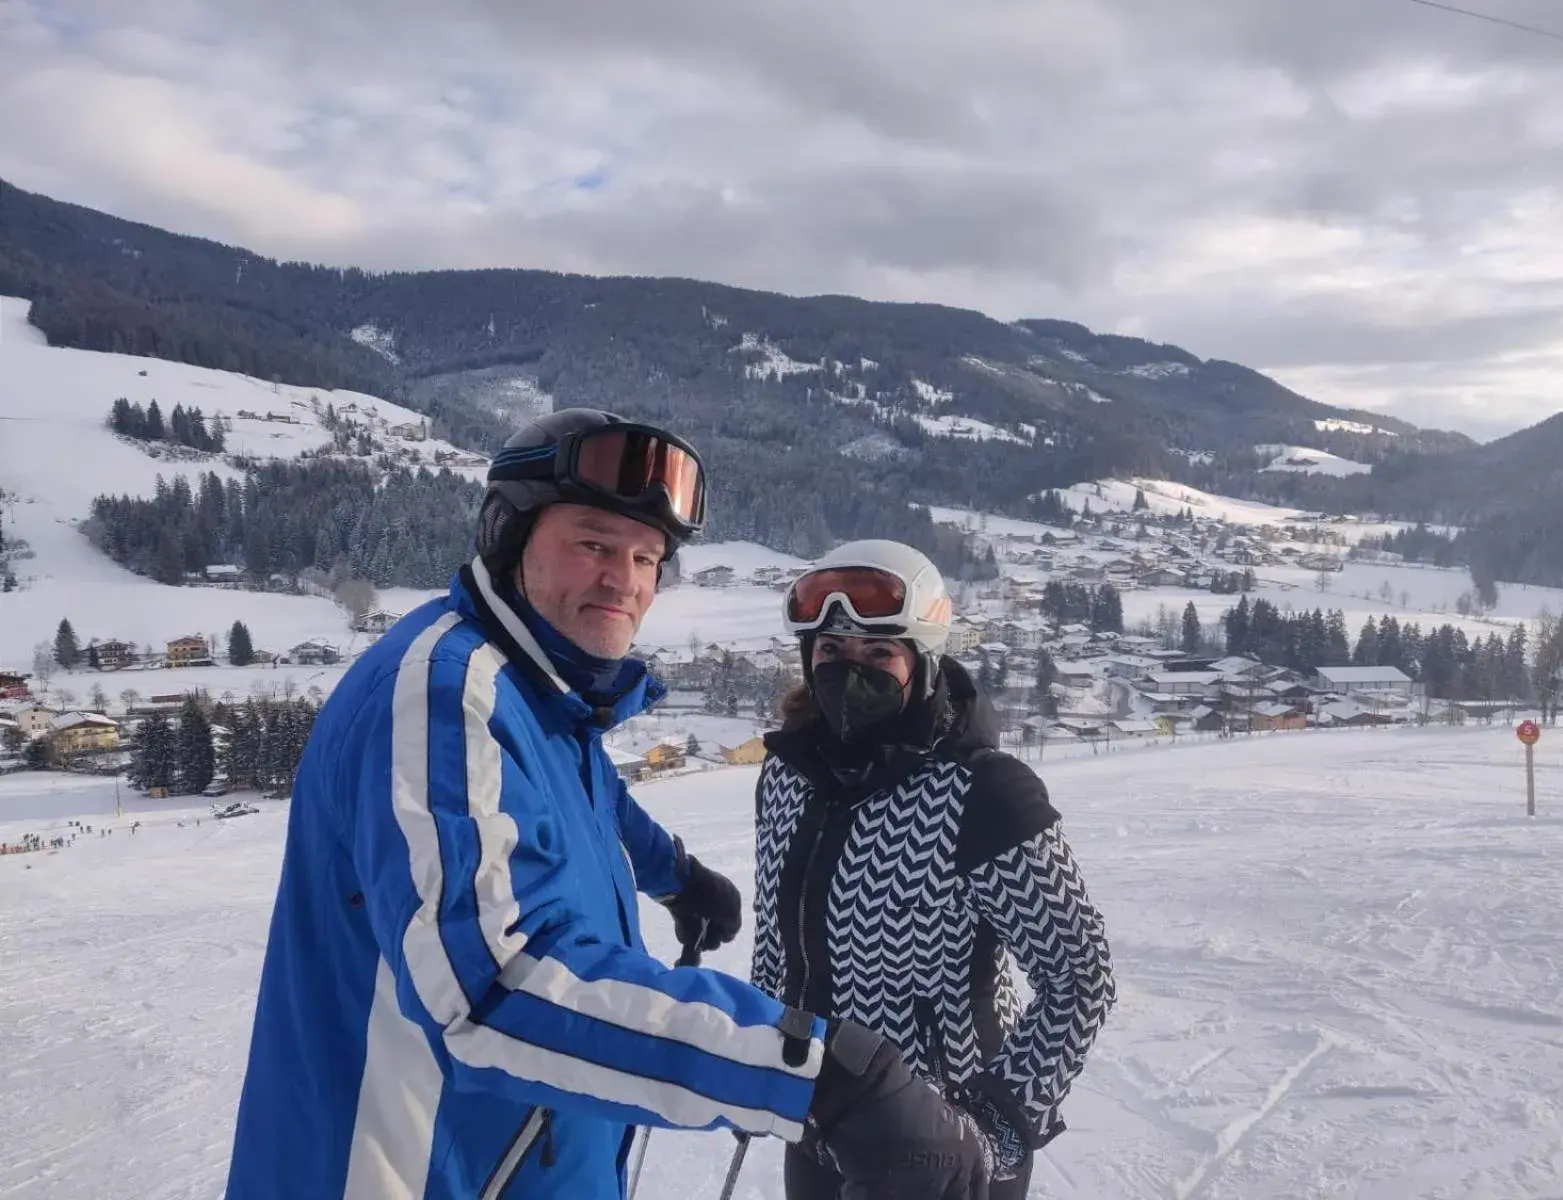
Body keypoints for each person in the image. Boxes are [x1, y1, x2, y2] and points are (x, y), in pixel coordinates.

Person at [225, 410, 991, 1200]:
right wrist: (819, 1078)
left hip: (518, 1162)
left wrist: (673, 873)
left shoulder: (534, 681)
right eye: (592, 544)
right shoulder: (446, 694)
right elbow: (496, 991)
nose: (623, 580)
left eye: (645, 556)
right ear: (508, 536)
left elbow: (581, 794)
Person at [749, 540, 1117, 1199]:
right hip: (813, 1117)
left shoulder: (982, 793)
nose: (847, 673)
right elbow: (777, 943)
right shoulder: (788, 776)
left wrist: (992, 1121)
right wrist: (758, 1051)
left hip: (938, 1138)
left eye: (877, 654)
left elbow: (1078, 975)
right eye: (830, 652)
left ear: (921, 661)